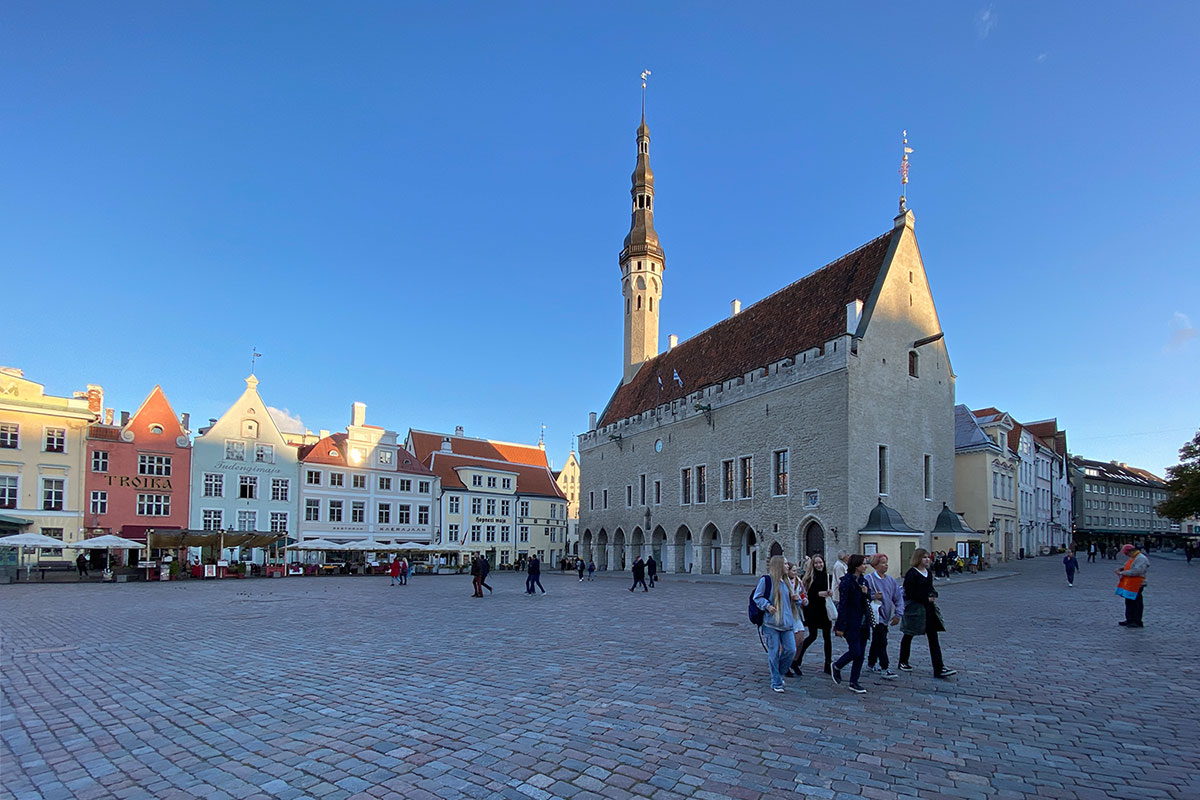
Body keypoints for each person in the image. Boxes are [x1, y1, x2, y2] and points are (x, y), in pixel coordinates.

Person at [898, 548, 957, 678]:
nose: (927, 559)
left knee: (933, 638)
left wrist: (933, 594)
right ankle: (903, 661)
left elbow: (930, 587)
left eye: (927, 557)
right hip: (915, 609)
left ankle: (939, 667)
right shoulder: (911, 574)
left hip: (928, 609)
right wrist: (925, 598)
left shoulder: (928, 573)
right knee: (909, 634)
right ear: (918, 558)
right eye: (924, 557)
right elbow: (910, 592)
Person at [752, 556, 802, 693]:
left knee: (791, 650)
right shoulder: (766, 580)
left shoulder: (787, 581)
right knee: (773, 653)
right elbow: (757, 597)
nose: (787, 566)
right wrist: (767, 606)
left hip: (787, 623)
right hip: (771, 623)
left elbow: (794, 602)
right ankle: (776, 681)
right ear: (779, 565)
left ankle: (778, 673)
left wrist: (797, 600)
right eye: (785, 564)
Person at [831, 554, 872, 694]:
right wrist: (840, 626)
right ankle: (837, 665)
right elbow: (843, 605)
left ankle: (854, 681)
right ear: (856, 565)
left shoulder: (863, 580)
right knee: (855, 651)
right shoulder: (847, 582)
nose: (865, 566)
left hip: (863, 622)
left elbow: (867, 599)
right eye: (863, 564)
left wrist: (866, 593)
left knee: (861, 654)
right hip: (851, 622)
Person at [794, 554, 834, 676]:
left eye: (820, 562)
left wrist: (830, 593)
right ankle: (797, 658)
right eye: (816, 563)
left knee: (827, 638)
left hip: (825, 610)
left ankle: (828, 664)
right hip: (812, 610)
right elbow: (806, 594)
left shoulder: (828, 577)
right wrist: (819, 594)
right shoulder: (809, 577)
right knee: (812, 636)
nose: (818, 565)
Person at [865, 553, 903, 679]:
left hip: (886, 615)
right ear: (875, 565)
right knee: (882, 641)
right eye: (882, 563)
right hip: (875, 615)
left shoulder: (891, 581)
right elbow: (862, 595)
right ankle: (884, 667)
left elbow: (898, 598)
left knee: (877, 640)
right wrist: (872, 596)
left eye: (886, 562)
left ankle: (871, 662)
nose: (885, 565)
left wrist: (898, 614)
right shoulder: (869, 579)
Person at [1115, 544, 1149, 627]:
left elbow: (1137, 571)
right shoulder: (1134, 557)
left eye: (1127, 554)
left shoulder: (1141, 558)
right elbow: (1127, 566)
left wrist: (1122, 573)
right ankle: (1129, 619)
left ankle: (1136, 621)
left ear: (1130, 551)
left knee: (1136, 603)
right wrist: (1122, 568)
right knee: (1129, 602)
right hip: (1131, 584)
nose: (1127, 556)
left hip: (1138, 584)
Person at [784, 559, 808, 677]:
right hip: (787, 613)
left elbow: (804, 594)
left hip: (797, 613)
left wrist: (804, 600)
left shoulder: (798, 581)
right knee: (790, 643)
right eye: (793, 571)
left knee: (800, 639)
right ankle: (786, 664)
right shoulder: (783, 582)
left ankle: (794, 661)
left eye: (796, 571)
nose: (795, 573)